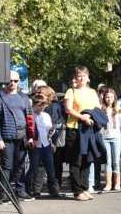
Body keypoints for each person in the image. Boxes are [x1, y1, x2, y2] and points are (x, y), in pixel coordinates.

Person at [0, 70, 31, 198]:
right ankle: (4, 192)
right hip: (6, 137)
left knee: (20, 165)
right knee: (6, 166)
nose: (12, 83)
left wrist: (30, 137)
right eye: (9, 81)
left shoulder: (24, 97)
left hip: (22, 136)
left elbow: (30, 118)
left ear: (19, 82)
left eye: (15, 81)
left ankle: (20, 190)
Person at [63, 66, 101, 201]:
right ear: (75, 77)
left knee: (87, 159)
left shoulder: (92, 92)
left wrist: (91, 117)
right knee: (76, 160)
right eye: (79, 75)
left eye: (84, 75)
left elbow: (97, 107)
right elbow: (68, 109)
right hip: (74, 128)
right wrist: (82, 117)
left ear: (88, 77)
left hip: (88, 128)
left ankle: (85, 187)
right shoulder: (71, 91)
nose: (81, 78)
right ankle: (77, 190)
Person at [27, 90, 61, 198]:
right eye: (38, 106)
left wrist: (53, 143)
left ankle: (53, 189)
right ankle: (28, 189)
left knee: (50, 168)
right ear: (33, 105)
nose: (40, 108)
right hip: (36, 146)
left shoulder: (46, 116)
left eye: (42, 106)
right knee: (34, 167)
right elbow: (29, 129)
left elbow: (49, 131)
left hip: (46, 144)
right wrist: (30, 139)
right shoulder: (31, 116)